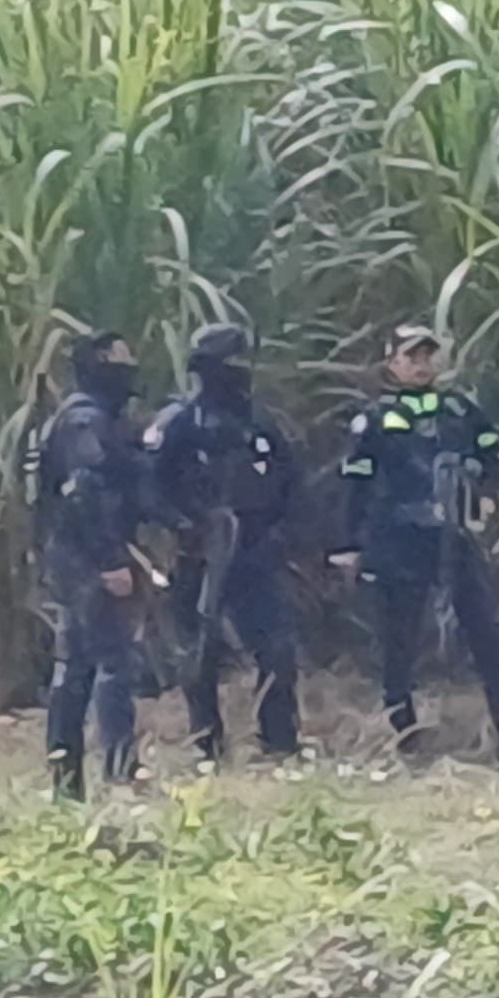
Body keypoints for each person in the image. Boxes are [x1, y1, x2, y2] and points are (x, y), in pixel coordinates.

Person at [331, 321, 499, 767]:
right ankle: (404, 736)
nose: (420, 364)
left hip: (456, 538)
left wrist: (485, 495)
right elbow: (354, 486)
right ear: (392, 362)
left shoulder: (460, 410)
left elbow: (492, 456)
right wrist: (347, 545)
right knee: (398, 641)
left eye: (427, 355)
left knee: (488, 637)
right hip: (397, 541)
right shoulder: (376, 419)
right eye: (411, 356)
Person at [143, 322, 311, 763]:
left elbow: (292, 480)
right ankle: (207, 746)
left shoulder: (260, 421)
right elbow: (149, 486)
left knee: (276, 650)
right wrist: (183, 526)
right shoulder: (179, 422)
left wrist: (280, 532)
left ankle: (280, 743)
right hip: (199, 553)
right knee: (199, 655)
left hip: (254, 551)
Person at [24, 322, 149, 800]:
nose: (128, 371)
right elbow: (84, 494)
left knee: (75, 665)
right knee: (110, 662)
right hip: (85, 557)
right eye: (119, 362)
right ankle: (119, 770)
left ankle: (67, 779)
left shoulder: (93, 419)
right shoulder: (83, 422)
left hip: (78, 554)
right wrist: (110, 560)